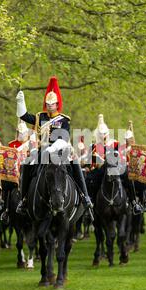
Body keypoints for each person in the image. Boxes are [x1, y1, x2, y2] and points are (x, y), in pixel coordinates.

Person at [15, 76, 93, 216]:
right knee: (27, 164)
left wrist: (53, 148)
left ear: (57, 104)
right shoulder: (40, 117)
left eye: (53, 104)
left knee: (75, 165)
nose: (50, 106)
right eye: (48, 104)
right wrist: (21, 102)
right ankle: (24, 199)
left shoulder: (64, 119)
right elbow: (24, 116)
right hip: (42, 150)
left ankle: (84, 196)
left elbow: (64, 138)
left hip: (59, 151)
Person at [85, 115, 143, 215]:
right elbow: (88, 163)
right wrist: (93, 163)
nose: (103, 136)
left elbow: (121, 156)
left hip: (115, 169)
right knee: (90, 180)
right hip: (101, 170)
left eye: (105, 134)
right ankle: (91, 202)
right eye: (101, 134)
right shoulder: (94, 146)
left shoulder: (115, 143)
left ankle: (134, 203)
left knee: (128, 177)